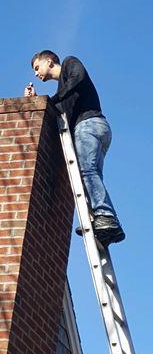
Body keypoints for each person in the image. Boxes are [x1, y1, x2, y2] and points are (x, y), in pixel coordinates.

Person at [24, 50, 125, 246]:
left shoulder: (70, 65)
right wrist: (36, 101)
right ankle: (103, 222)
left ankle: (105, 214)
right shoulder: (64, 92)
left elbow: (78, 78)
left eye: (37, 68)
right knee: (89, 173)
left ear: (49, 61)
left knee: (87, 171)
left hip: (89, 125)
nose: (36, 74)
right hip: (93, 129)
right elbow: (57, 113)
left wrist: (49, 100)